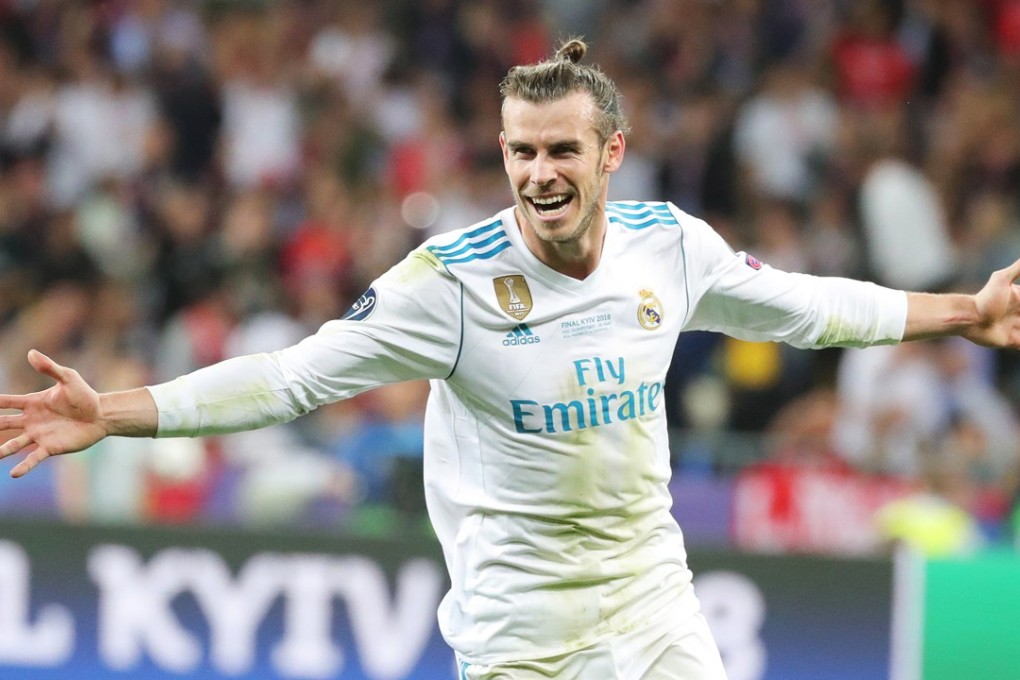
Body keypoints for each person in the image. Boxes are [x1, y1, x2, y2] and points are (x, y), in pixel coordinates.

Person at [2, 39, 1020, 680]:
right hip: (520, 637)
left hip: (651, 600)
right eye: (521, 152)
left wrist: (963, 308)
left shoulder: (671, 243)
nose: (539, 173)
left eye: (562, 151)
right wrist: (118, 411)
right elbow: (294, 375)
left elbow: (808, 308)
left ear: (610, 154)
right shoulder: (446, 282)